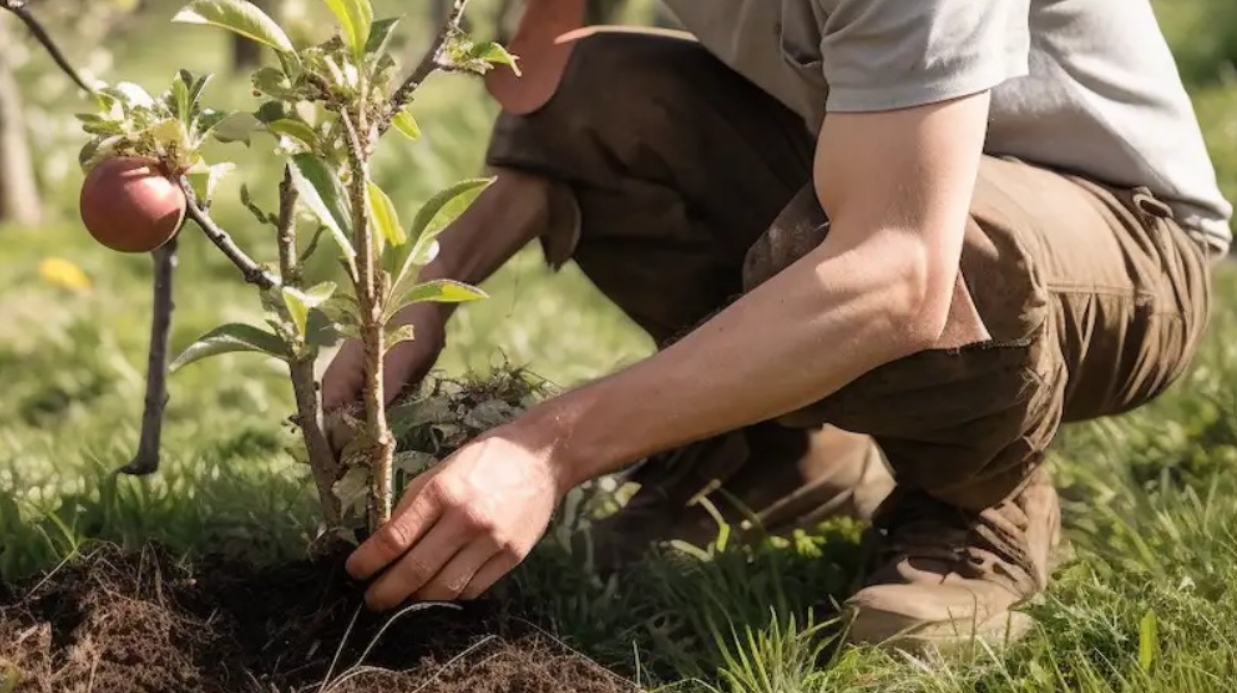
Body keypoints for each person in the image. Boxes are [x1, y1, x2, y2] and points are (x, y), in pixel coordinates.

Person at [319, 0, 1232, 654]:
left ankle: (974, 502)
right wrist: (415, 299)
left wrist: (545, 450)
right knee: (598, 95)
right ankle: (774, 459)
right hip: (875, 158)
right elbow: (547, 90)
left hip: (1120, 238)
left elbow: (900, 268)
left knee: (907, 251)